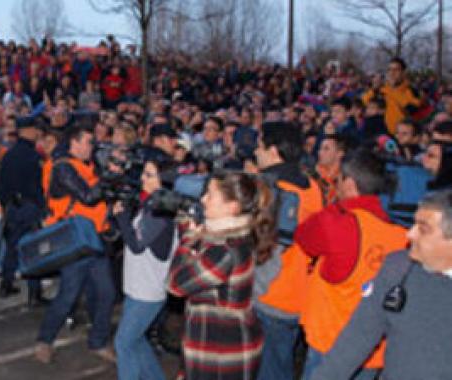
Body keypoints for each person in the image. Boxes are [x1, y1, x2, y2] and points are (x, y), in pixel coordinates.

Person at [311, 190, 452, 380]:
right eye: (414, 224)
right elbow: (356, 340)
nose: (410, 234)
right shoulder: (398, 269)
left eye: (423, 229)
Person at [295, 149, 408, 379]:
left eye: (338, 180)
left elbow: (303, 237)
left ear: (349, 184)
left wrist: (337, 206)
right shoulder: (401, 234)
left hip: (331, 345)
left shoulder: (336, 222)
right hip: (374, 349)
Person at [168, 171, 277, 380]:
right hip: (219, 342)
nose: (203, 200)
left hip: (222, 353)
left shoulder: (225, 250)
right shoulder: (234, 237)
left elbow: (175, 284)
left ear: (232, 207)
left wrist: (188, 241)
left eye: (210, 194)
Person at [34, 126, 116, 364]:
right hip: (75, 242)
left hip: (94, 239)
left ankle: (98, 341)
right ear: (75, 142)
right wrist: (109, 177)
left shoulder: (89, 166)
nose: (93, 147)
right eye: (89, 142)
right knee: (68, 295)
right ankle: (44, 340)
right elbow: (88, 196)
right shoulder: (63, 168)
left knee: (107, 293)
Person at [252, 122, 324, 380]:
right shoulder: (311, 185)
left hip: (272, 295)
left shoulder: (272, 188)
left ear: (273, 150)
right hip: (301, 292)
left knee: (270, 369)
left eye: (259, 146)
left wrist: (256, 290)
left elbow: (274, 248)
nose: (255, 152)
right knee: (280, 362)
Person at [111, 157, 178, 380]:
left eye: (149, 175)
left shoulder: (161, 213)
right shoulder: (152, 205)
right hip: (138, 288)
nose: (142, 178)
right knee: (135, 340)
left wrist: (121, 217)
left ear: (163, 181)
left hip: (147, 293)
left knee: (124, 343)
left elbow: (137, 245)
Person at [0, 117, 48, 305]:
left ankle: (6, 282)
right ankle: (35, 293)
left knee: (12, 246)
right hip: (29, 207)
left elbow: (1, 184)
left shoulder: (9, 155)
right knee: (33, 248)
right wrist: (42, 206)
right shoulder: (33, 156)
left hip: (13, 206)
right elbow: (36, 186)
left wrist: (7, 204)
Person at [361, 57, 420, 134]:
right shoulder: (382, 89)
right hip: (381, 134)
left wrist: (393, 90)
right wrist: (374, 89)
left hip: (400, 135)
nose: (392, 73)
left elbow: (412, 110)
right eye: (390, 69)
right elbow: (364, 102)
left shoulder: (411, 90)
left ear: (403, 72)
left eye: (396, 70)